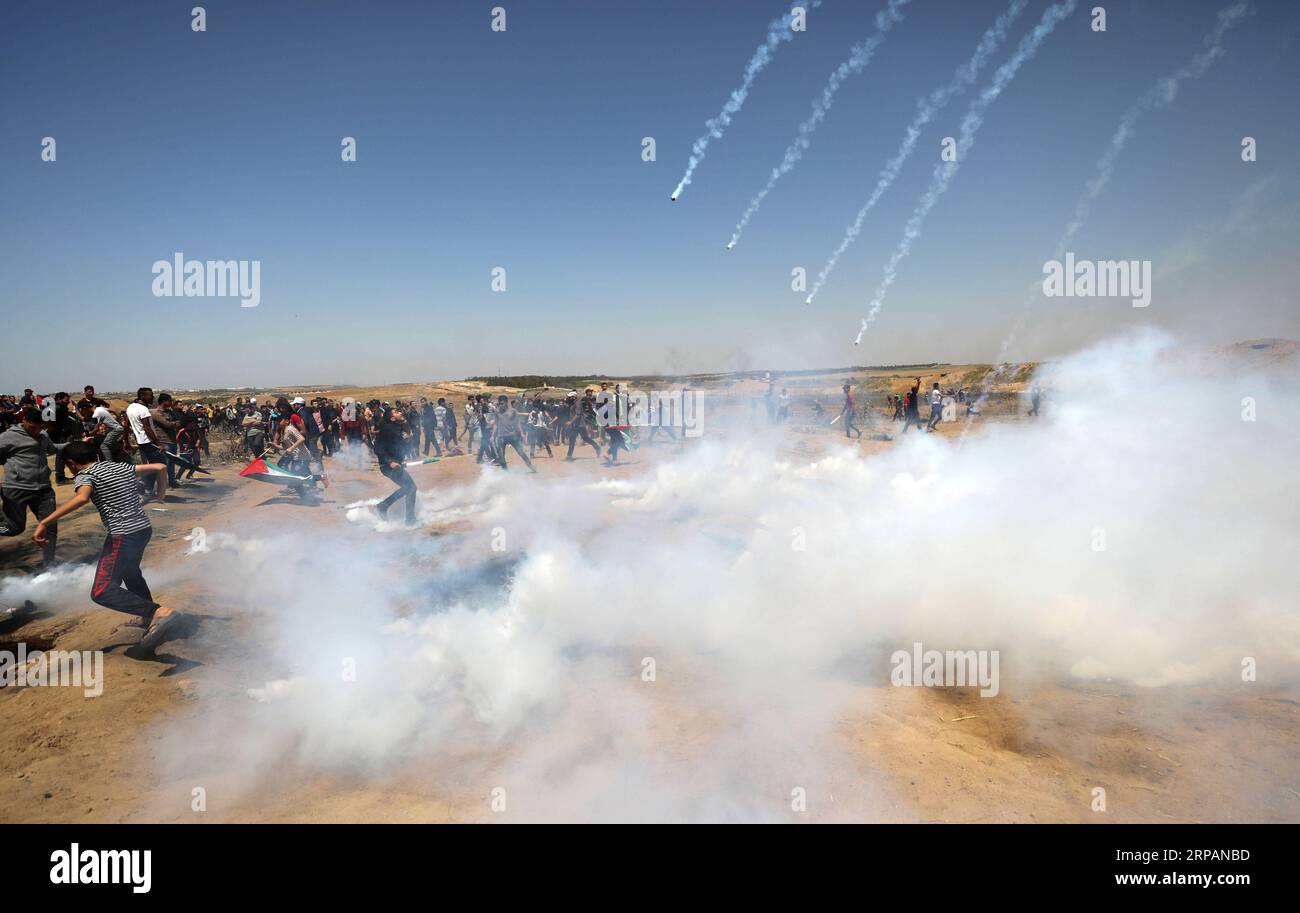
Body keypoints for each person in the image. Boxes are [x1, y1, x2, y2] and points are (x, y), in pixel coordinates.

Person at [32, 441, 181, 654]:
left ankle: (159, 612)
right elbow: (160, 467)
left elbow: (82, 497)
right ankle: (148, 616)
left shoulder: (85, 475)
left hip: (123, 534)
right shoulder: (119, 466)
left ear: (72, 464)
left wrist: (45, 522)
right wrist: (160, 496)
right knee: (131, 573)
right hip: (142, 529)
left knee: (101, 591)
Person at [0, 407, 66, 567]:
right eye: (32, 427)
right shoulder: (8, 437)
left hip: (43, 489)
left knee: (50, 525)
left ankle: (49, 564)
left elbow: (51, 449)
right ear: (24, 421)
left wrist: (73, 444)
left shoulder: (43, 435)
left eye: (40, 427)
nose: (36, 431)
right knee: (15, 528)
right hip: (16, 488)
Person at [373, 407, 418, 524]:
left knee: (409, 488)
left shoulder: (401, 427)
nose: (400, 412)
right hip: (387, 466)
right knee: (411, 488)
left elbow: (405, 448)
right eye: (396, 412)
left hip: (397, 464)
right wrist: (390, 461)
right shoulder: (386, 430)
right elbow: (377, 448)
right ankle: (410, 519)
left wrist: (408, 440)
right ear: (392, 418)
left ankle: (383, 506)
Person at [492, 395, 536, 472]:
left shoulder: (513, 411)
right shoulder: (497, 411)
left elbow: (517, 423)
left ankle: (531, 466)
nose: (501, 405)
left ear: (506, 403)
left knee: (521, 453)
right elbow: (495, 423)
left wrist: (522, 434)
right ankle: (506, 472)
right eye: (500, 404)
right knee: (501, 457)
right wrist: (493, 435)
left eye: (502, 403)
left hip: (512, 436)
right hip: (501, 437)